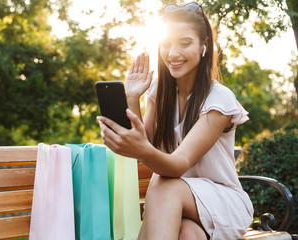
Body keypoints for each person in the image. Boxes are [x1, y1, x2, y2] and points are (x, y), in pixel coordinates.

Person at [97, 2, 254, 240]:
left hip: (222, 202)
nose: (172, 54)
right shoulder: (159, 90)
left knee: (163, 184)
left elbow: (178, 163)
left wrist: (142, 149)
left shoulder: (219, 99)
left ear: (205, 46)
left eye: (184, 43)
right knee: (189, 235)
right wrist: (131, 97)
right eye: (166, 44)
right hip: (177, 203)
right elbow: (146, 142)